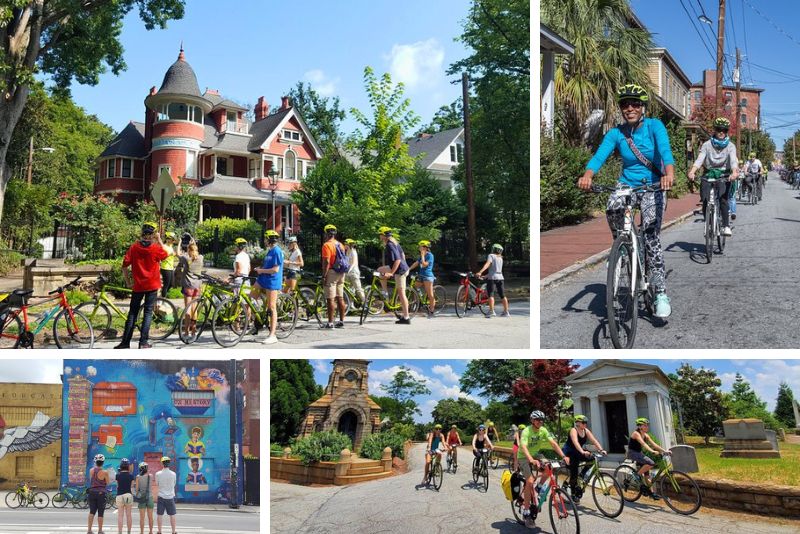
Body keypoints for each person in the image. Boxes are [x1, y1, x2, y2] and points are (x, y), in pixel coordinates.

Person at [578, 84, 676, 318]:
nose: (629, 108)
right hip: (626, 184)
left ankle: (660, 291)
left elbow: (665, 150)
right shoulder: (616, 133)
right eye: (624, 104)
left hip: (653, 185)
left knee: (651, 237)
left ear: (643, 107)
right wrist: (588, 175)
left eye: (634, 104)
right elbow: (600, 155)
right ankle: (623, 245)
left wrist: (669, 174)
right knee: (612, 207)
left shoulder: (655, 126)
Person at [115, 222, 170, 349]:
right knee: (148, 313)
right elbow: (167, 254)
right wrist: (159, 239)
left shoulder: (134, 248)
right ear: (152, 235)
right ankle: (143, 342)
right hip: (152, 286)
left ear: (142, 234)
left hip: (138, 286)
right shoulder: (156, 248)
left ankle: (125, 342)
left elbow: (124, 266)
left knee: (132, 313)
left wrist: (128, 281)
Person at [518, 410, 570, 528]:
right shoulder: (527, 431)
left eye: (541, 420)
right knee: (530, 481)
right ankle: (526, 511)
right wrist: (531, 460)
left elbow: (553, 444)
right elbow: (524, 447)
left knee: (549, 467)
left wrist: (563, 456)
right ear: (532, 420)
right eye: (537, 420)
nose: (540, 422)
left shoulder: (543, 430)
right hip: (523, 456)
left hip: (536, 454)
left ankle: (540, 486)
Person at [688, 117, 738, 237]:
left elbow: (733, 161)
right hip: (709, 173)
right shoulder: (707, 144)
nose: (721, 132)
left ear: (727, 131)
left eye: (724, 130)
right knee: (705, 198)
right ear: (715, 130)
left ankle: (726, 226)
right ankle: (708, 223)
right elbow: (700, 159)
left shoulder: (730, 146)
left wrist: (734, 172)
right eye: (719, 129)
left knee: (723, 199)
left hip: (724, 174)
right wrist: (692, 171)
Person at [561, 415, 606, 504]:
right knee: (574, 472)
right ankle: (573, 494)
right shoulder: (573, 430)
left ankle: (582, 475)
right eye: (583, 422)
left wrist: (601, 449)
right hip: (569, 452)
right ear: (577, 423)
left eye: (586, 422)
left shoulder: (586, 431)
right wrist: (582, 451)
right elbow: (575, 442)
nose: (585, 424)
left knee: (592, 458)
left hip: (579, 451)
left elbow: (594, 440)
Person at [627, 417, 670, 500]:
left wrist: (665, 451)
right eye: (645, 425)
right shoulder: (636, 434)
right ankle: (637, 474)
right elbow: (643, 444)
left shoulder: (646, 435)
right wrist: (652, 451)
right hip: (632, 453)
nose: (647, 427)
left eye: (647, 425)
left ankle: (651, 493)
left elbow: (655, 445)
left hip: (639, 453)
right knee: (651, 463)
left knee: (647, 475)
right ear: (640, 427)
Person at [252, 229, 283, 344]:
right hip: (262, 279)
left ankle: (272, 335)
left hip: (272, 281)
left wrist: (261, 270)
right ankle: (257, 324)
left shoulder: (277, 251)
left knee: (272, 307)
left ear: (269, 240)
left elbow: (275, 269)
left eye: (265, 238)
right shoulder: (269, 251)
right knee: (250, 299)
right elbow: (267, 265)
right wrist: (259, 269)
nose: (264, 240)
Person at [377, 226, 411, 324]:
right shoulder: (394, 242)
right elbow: (403, 254)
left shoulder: (390, 244)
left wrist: (391, 273)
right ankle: (385, 293)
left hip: (400, 270)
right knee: (380, 270)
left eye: (380, 234)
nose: (379, 236)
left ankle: (406, 317)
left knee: (401, 293)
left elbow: (398, 260)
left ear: (383, 235)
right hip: (399, 267)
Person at [175, 241, 204, 338]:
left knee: (187, 309)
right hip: (197, 286)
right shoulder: (201, 258)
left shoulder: (186, 258)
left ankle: (186, 331)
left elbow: (177, 253)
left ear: (188, 250)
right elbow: (196, 250)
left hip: (188, 286)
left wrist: (179, 242)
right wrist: (194, 242)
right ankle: (193, 330)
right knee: (194, 308)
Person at [320, 224, 347, 329]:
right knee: (340, 297)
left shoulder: (327, 245)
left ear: (327, 233)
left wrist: (324, 275)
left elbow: (326, 261)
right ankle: (341, 321)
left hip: (331, 272)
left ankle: (330, 323)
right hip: (341, 273)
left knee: (330, 298)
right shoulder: (340, 245)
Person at [475, 244, 510, 317]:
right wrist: (486, 276)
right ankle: (506, 312)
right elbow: (496, 270)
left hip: (492, 278)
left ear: (494, 249)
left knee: (490, 294)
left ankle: (492, 311)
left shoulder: (491, 255)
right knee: (502, 295)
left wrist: (480, 272)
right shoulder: (500, 258)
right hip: (500, 278)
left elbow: (487, 264)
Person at [407, 240, 436, 317]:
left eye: (420, 246)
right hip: (421, 275)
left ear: (425, 248)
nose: (419, 248)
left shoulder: (430, 255)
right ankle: (419, 301)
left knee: (430, 294)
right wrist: (408, 269)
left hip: (428, 276)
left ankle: (432, 310)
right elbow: (416, 263)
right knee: (414, 287)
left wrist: (423, 255)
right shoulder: (421, 255)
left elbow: (424, 264)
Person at [87, 453, 109, 534]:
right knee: (100, 513)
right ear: (103, 462)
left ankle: (89, 530)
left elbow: (91, 480)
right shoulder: (105, 472)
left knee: (92, 511)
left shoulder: (91, 470)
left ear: (95, 462)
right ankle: (100, 530)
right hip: (101, 493)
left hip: (92, 492)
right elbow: (108, 482)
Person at [155, 456, 177, 534]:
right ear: (169, 463)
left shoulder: (158, 474)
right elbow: (174, 484)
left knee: (160, 514)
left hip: (161, 496)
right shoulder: (173, 474)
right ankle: (173, 531)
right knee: (172, 515)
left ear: (162, 463)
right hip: (170, 497)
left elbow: (157, 484)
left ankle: (159, 531)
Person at [115, 459, 135, 534]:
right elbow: (132, 486)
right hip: (128, 495)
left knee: (120, 515)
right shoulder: (131, 476)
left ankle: (120, 532)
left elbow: (117, 486)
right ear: (127, 466)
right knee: (128, 515)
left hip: (119, 495)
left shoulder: (117, 475)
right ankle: (129, 532)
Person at [134, 462, 154, 534]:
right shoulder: (151, 476)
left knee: (142, 518)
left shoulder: (138, 477)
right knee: (150, 517)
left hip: (141, 498)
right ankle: (151, 531)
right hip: (150, 498)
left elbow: (136, 490)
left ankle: (142, 532)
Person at [344, 239, 365, 304]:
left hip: (354, 272)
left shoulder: (353, 252)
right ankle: (351, 304)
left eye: (345, 244)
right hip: (347, 273)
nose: (344, 245)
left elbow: (354, 263)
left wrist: (349, 269)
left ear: (349, 245)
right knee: (350, 290)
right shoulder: (347, 252)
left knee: (358, 289)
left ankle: (365, 303)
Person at [159, 232, 177, 298]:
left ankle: (161, 297)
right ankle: (163, 301)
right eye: (170, 239)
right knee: (166, 285)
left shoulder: (171, 247)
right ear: (167, 239)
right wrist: (170, 254)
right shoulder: (164, 246)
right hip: (165, 267)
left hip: (170, 267)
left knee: (171, 284)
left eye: (172, 239)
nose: (172, 241)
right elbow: (163, 257)